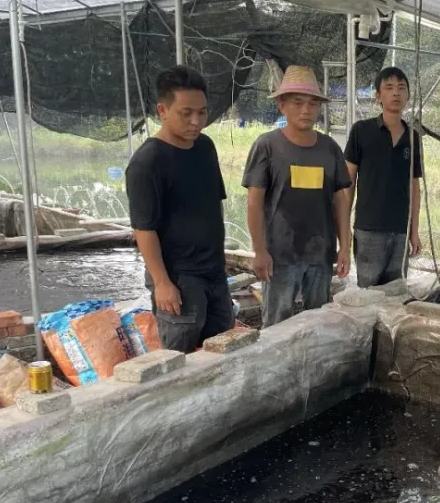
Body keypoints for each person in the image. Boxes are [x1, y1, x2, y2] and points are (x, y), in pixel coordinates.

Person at [126, 65, 233, 354]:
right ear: (163, 110)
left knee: (221, 346)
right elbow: (144, 229)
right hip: (179, 277)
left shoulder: (205, 147)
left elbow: (214, 206)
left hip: (213, 271)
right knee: (178, 353)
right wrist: (162, 282)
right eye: (186, 113)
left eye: (202, 112)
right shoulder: (147, 163)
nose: (196, 122)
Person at [243, 65, 351, 326]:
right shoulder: (267, 146)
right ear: (282, 105)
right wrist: (259, 250)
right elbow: (254, 202)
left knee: (318, 322)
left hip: (320, 253)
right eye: (298, 102)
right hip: (280, 255)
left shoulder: (330, 148)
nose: (306, 110)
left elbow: (340, 200)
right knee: (276, 325)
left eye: (313, 104)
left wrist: (345, 246)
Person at [344, 66, 423, 288]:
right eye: (389, 88)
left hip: (400, 229)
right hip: (369, 229)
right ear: (378, 96)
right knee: (368, 291)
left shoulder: (413, 137)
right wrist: (344, 229)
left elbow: (414, 187)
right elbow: (348, 182)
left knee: (396, 293)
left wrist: (413, 232)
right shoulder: (362, 130)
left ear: (408, 95)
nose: (396, 93)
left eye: (401, 88)